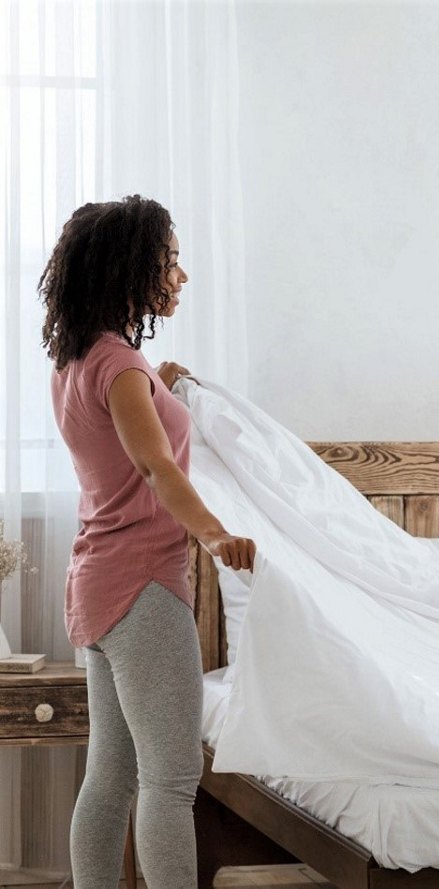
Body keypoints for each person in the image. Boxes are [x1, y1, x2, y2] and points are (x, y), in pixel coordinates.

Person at [40, 195, 256, 889]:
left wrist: (158, 389)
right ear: (128, 270)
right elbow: (153, 465)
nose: (181, 276)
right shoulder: (121, 367)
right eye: (169, 261)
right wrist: (215, 533)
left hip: (97, 585)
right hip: (143, 588)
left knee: (111, 771)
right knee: (171, 777)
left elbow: (117, 433)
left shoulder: (81, 361)